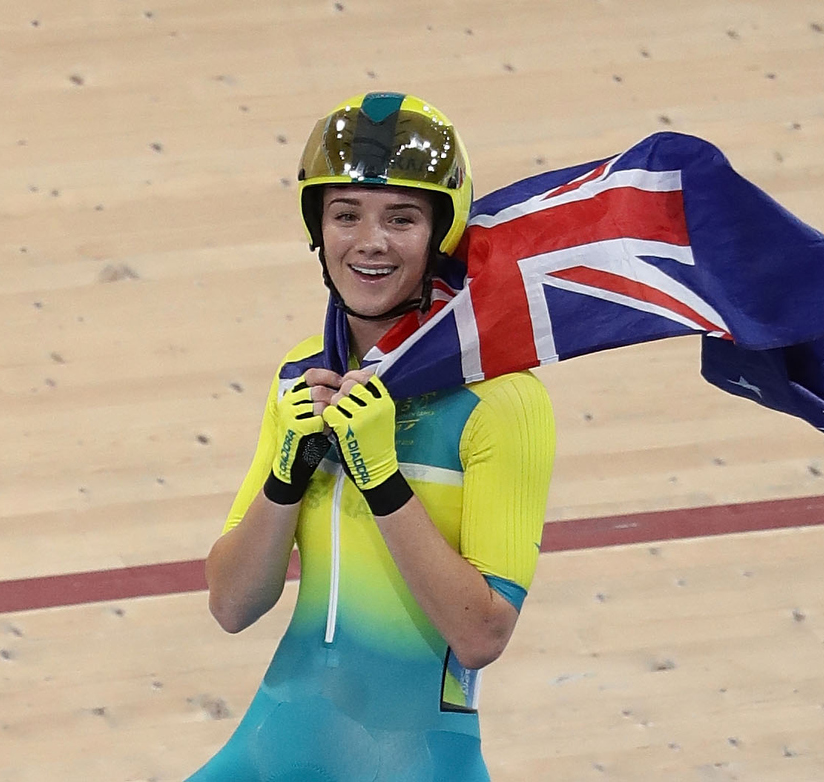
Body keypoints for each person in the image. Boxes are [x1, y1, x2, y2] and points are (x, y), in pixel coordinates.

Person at [187, 92, 556, 782]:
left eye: (402, 218)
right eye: (346, 214)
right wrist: (285, 478)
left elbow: (480, 636)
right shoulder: (302, 377)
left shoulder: (502, 400)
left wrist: (382, 478)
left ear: (441, 233)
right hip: (276, 748)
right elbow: (233, 605)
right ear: (317, 229)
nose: (371, 241)